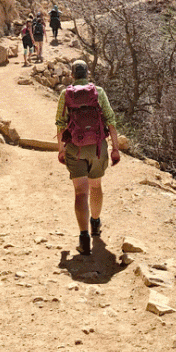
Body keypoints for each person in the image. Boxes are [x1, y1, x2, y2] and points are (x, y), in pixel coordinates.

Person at [56, 59, 120, 255]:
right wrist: (115, 148)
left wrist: (61, 150)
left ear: (72, 74)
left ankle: (83, 239)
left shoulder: (65, 94)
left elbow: (60, 124)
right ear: (87, 73)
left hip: (75, 148)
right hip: (97, 147)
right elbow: (110, 121)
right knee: (96, 186)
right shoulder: (98, 92)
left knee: (80, 193)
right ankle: (95, 224)